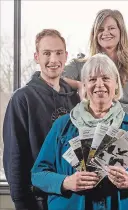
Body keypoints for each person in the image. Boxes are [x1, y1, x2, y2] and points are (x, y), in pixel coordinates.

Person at [31, 53, 128, 210]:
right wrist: (66, 182)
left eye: (106, 78)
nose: (99, 84)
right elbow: (37, 175)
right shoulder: (62, 126)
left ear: (116, 85)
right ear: (85, 86)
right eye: (92, 79)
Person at [3, 29, 80, 210]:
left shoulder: (75, 99)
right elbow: (14, 156)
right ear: (37, 57)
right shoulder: (22, 99)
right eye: (47, 53)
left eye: (58, 53)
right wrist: (21, 202)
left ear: (66, 56)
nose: (53, 60)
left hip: (71, 198)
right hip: (37, 201)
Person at [63, 9, 128, 116]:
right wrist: (79, 85)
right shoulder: (79, 64)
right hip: (89, 126)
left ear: (121, 31)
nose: (105, 33)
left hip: (125, 126)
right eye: (100, 29)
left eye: (111, 28)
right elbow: (55, 80)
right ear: (94, 34)